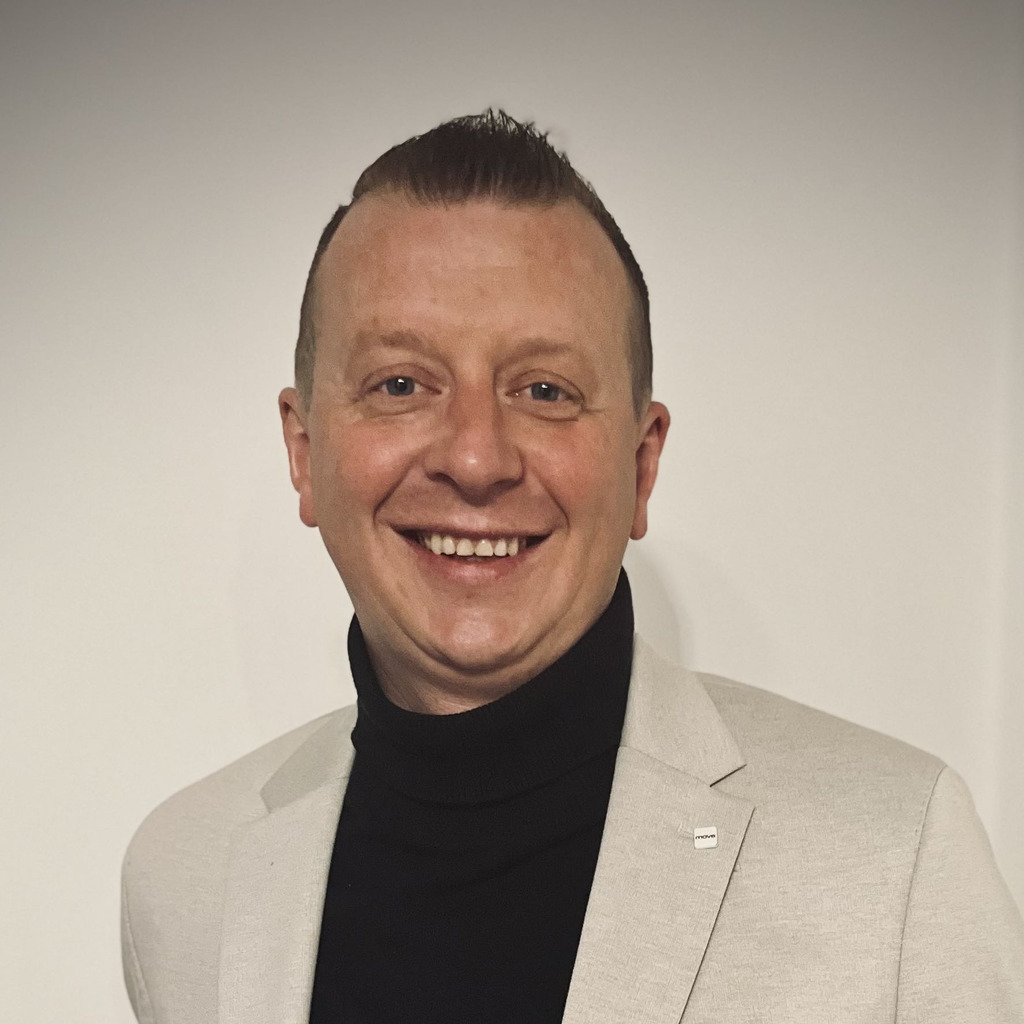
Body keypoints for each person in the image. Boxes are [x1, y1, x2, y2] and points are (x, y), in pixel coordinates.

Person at [120, 111, 1023, 1024]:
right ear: (305, 450)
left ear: (641, 464)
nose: (476, 458)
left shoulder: (897, 858)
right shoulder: (185, 876)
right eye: (401, 384)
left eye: (545, 391)